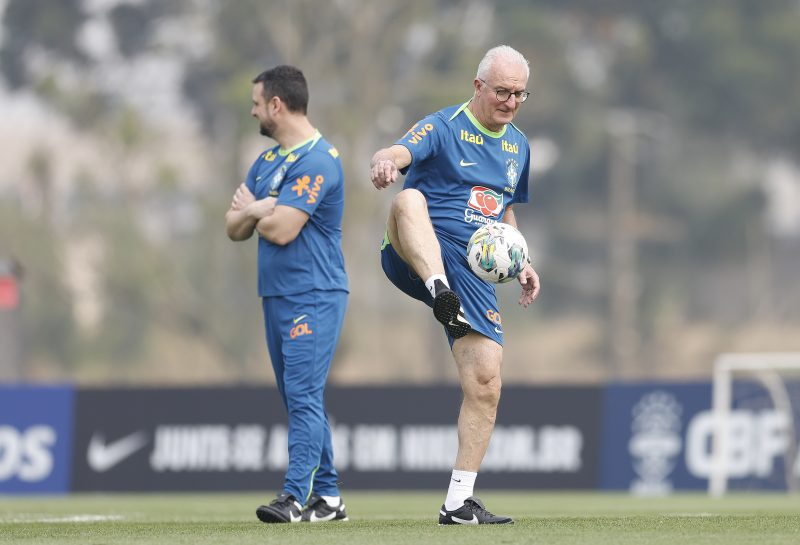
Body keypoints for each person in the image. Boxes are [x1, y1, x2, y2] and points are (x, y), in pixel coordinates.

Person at [369, 45, 541, 525]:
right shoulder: (445, 125)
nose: (510, 102)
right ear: (478, 86)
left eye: (519, 94)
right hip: (416, 254)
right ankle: (440, 289)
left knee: (486, 382)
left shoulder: (520, 146)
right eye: (502, 91)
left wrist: (523, 260)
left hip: (474, 270)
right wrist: (386, 159)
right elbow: (400, 151)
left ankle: (458, 503)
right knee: (409, 201)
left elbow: (506, 211)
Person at [226, 65, 349, 524]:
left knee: (301, 394)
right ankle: (330, 498)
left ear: (277, 104)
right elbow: (232, 227)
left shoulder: (318, 159)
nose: (254, 110)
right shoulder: (266, 161)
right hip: (275, 294)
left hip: (313, 293)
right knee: (302, 397)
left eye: (257, 103)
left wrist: (256, 209)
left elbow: (280, 230)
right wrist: (261, 209)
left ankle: (294, 497)